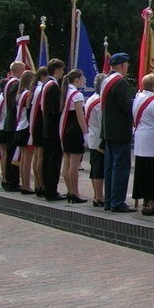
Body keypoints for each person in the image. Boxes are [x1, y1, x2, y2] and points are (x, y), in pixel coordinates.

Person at [101, 52, 135, 212]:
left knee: (110, 167)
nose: (128, 67)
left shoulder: (105, 80)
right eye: (127, 64)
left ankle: (109, 200)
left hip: (109, 130)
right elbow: (126, 107)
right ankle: (117, 201)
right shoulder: (120, 82)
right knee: (120, 167)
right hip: (120, 131)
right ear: (121, 65)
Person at [132, 73, 154, 216]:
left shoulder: (138, 98)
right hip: (153, 142)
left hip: (140, 140)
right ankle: (151, 204)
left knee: (143, 173)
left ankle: (145, 202)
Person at [60, 69, 88, 203]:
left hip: (65, 128)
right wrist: (85, 132)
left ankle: (70, 190)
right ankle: (75, 192)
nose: (84, 80)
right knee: (74, 164)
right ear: (76, 80)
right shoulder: (77, 95)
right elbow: (80, 116)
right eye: (83, 78)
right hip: (75, 129)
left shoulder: (65, 92)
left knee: (67, 161)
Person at [41, 59, 67, 201]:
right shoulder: (53, 86)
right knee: (53, 161)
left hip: (46, 128)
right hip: (52, 129)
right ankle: (51, 190)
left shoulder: (47, 84)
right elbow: (54, 109)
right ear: (57, 70)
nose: (63, 73)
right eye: (62, 70)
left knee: (47, 160)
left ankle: (48, 188)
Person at [1, 61, 25, 192]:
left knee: (10, 153)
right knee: (12, 154)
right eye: (23, 69)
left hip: (9, 122)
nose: (24, 70)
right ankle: (12, 181)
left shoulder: (9, 83)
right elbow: (15, 105)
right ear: (18, 70)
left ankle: (9, 180)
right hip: (13, 123)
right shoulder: (16, 84)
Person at [84, 73, 106, 207]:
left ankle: (96, 195)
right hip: (99, 138)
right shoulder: (100, 102)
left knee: (94, 167)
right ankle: (99, 196)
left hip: (92, 135)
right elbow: (103, 121)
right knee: (99, 169)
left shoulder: (91, 99)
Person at [28, 67, 49, 196]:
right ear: (43, 76)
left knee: (37, 155)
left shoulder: (34, 88)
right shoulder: (41, 88)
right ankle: (41, 183)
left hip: (34, 123)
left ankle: (37, 183)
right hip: (39, 123)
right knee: (40, 156)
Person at [14, 70, 35, 194]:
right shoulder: (27, 94)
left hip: (20, 126)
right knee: (27, 159)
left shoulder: (20, 94)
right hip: (26, 127)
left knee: (23, 159)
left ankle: (24, 184)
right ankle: (26, 185)